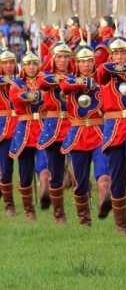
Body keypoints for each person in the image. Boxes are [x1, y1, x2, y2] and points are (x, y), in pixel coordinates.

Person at [60, 37, 112, 226]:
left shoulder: (102, 80)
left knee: (103, 169)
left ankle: (103, 199)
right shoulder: (69, 79)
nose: (87, 65)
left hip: (99, 132)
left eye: (90, 60)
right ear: (76, 63)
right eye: (82, 61)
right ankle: (84, 220)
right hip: (77, 135)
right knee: (80, 181)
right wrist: (88, 84)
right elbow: (66, 87)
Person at [97, 29, 126, 236]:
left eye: (123, 53)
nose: (119, 57)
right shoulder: (105, 72)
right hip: (113, 125)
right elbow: (103, 71)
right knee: (116, 176)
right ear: (111, 56)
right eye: (115, 53)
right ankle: (122, 226)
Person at [36, 35, 74, 225]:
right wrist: (64, 80)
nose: (62, 60)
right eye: (59, 57)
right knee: (55, 172)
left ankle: (84, 213)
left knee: (81, 172)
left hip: (74, 127)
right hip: (53, 129)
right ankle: (59, 215)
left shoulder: (77, 76)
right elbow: (42, 84)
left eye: (66, 57)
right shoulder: (45, 75)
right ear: (52, 59)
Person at [9, 44, 48, 220]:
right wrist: (38, 95)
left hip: (42, 129)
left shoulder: (44, 81)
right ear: (23, 67)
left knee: (43, 165)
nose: (31, 67)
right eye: (28, 64)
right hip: (24, 131)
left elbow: (49, 98)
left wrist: (36, 94)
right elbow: (15, 97)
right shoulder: (16, 83)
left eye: (34, 63)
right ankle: (28, 210)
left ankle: (45, 189)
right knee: (25, 173)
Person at [0, 43, 18, 216]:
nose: (8, 66)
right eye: (5, 62)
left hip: (21, 124)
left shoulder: (22, 80)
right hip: (3, 128)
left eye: (11, 62)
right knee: (5, 168)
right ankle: (9, 205)